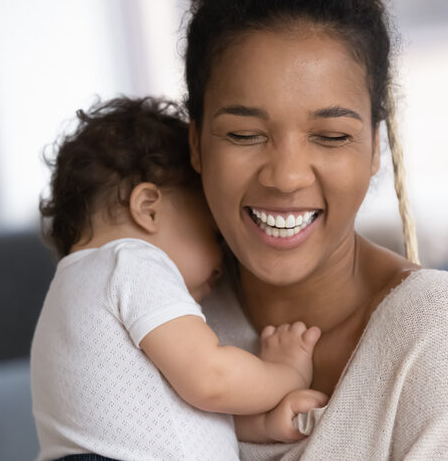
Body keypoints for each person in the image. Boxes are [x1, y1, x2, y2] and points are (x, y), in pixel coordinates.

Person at [184, 0, 448, 459]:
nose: (287, 176)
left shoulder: (437, 330)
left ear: (376, 148)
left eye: (332, 136)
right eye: (245, 134)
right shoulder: (161, 316)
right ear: (195, 143)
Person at [30, 97, 328, 461]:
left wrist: (261, 425)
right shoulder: (133, 262)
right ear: (148, 209)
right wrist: (285, 373)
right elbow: (211, 379)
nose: (224, 259)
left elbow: (159, 418)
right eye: (212, 233)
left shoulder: (72, 291)